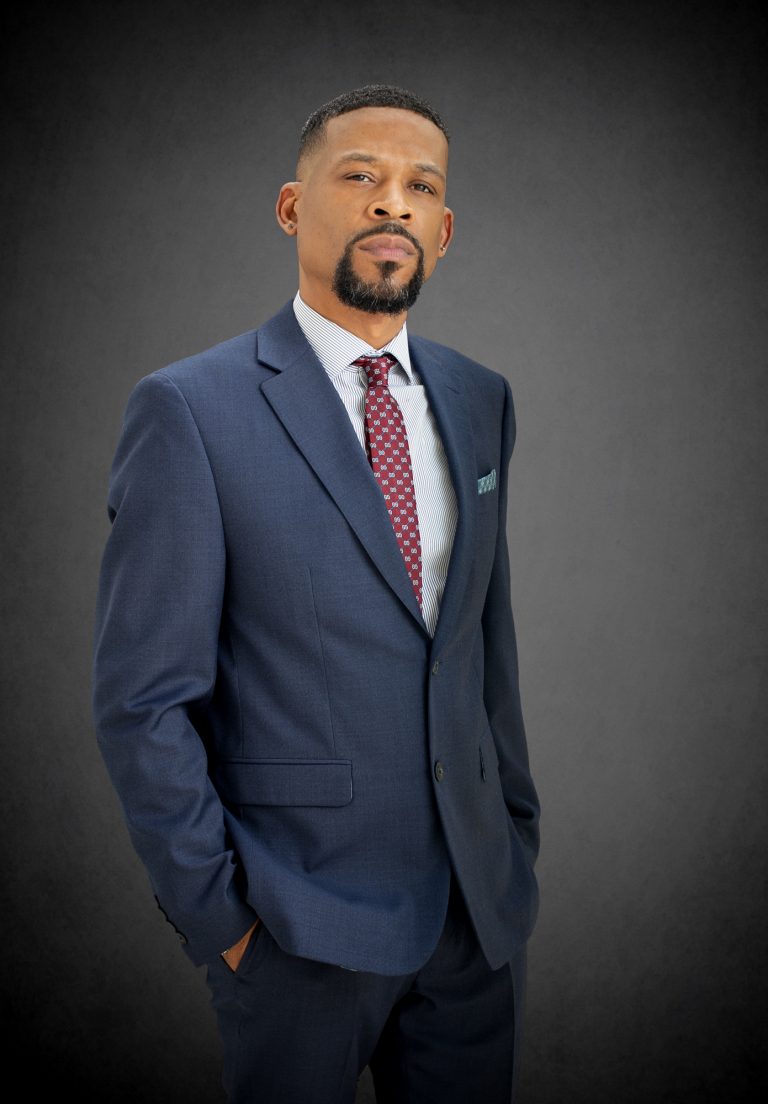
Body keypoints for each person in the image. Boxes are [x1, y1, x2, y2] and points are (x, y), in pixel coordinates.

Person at [92, 84, 540, 1104]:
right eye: (361, 176)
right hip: (293, 928)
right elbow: (141, 700)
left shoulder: (480, 399)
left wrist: (512, 836)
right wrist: (222, 921)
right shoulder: (189, 410)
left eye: (420, 187)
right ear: (293, 208)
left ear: (444, 231)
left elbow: (483, 642)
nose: (393, 203)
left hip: (474, 923)